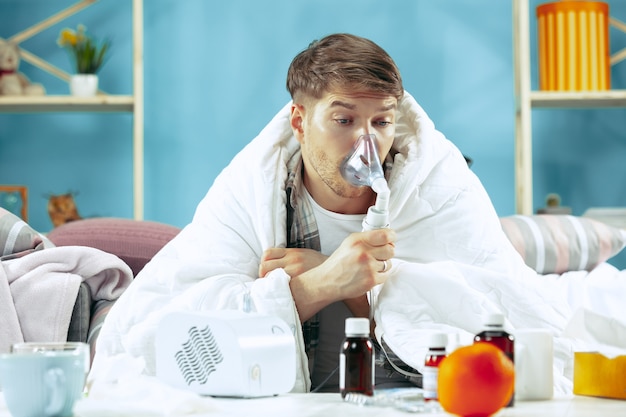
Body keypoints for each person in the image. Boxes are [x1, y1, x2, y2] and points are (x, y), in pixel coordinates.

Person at [90, 33, 612, 394]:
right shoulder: (251, 189)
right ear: (299, 121)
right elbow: (149, 332)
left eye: (381, 122)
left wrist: (360, 288)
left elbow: (503, 316)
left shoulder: (439, 184)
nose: (367, 145)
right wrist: (311, 289)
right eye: (344, 119)